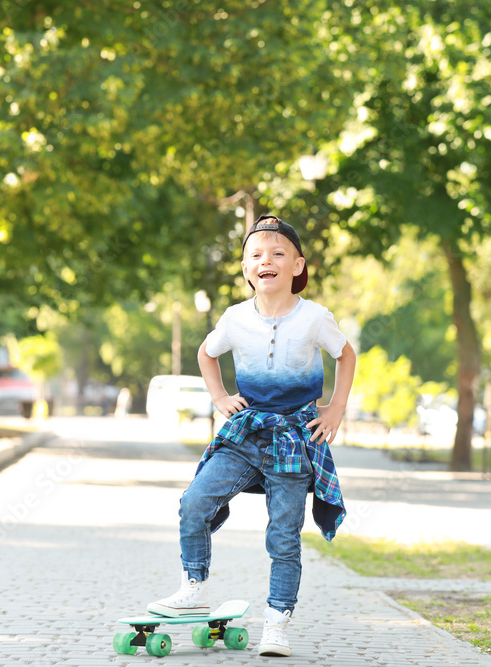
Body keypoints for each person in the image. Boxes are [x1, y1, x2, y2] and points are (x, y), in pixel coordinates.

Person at [147, 215, 356, 657]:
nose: (267, 261)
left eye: (278, 253)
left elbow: (345, 354)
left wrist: (336, 407)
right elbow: (207, 354)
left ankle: (277, 624)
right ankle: (194, 586)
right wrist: (220, 396)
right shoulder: (235, 318)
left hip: (294, 438)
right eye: (256, 255)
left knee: (283, 535)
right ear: (246, 271)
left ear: (298, 266)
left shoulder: (315, 317)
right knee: (194, 502)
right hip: (246, 432)